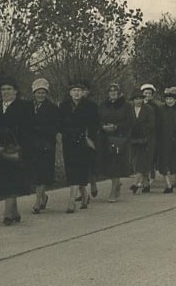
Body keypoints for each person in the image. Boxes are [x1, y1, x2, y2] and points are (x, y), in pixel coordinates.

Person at [0, 77, 31, 225]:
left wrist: (11, 143)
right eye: (3, 89)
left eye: (9, 89)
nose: (6, 92)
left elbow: (26, 129)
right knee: (3, 181)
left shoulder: (24, 106)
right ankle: (14, 212)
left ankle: (8, 214)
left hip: (15, 149)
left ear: (15, 91)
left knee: (12, 180)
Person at [59, 80, 101, 212]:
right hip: (69, 142)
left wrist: (89, 138)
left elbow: (95, 124)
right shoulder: (64, 106)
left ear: (83, 92)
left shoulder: (90, 106)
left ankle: (71, 202)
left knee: (80, 170)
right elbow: (60, 124)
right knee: (72, 170)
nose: (76, 93)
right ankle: (84, 195)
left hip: (84, 141)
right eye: (74, 90)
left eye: (79, 90)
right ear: (70, 93)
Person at [26, 78, 60, 215]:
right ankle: (43, 196)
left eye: (43, 93)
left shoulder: (52, 108)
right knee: (34, 174)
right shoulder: (28, 107)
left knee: (42, 173)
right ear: (34, 93)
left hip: (46, 145)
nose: (41, 95)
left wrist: (42, 131)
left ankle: (37, 202)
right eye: (38, 93)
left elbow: (55, 126)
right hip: (31, 145)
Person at [99, 83, 133, 202]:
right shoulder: (103, 105)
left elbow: (130, 122)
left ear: (119, 93)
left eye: (115, 91)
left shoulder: (126, 106)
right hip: (105, 138)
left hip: (120, 138)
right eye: (110, 91)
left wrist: (117, 126)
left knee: (116, 165)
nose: (113, 93)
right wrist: (103, 126)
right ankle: (117, 184)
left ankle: (113, 190)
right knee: (108, 165)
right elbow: (99, 119)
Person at [127, 91, 157, 194]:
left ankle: (136, 183)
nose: (138, 101)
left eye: (140, 98)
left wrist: (139, 128)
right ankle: (146, 183)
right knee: (134, 160)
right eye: (136, 99)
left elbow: (151, 125)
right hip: (133, 139)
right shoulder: (129, 110)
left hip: (146, 139)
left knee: (142, 160)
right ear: (133, 100)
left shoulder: (149, 109)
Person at [140, 83, 161, 189]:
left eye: (149, 93)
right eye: (145, 93)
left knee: (151, 156)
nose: (147, 95)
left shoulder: (155, 107)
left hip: (152, 134)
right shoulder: (138, 105)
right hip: (139, 134)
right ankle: (142, 177)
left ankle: (151, 174)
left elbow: (157, 121)